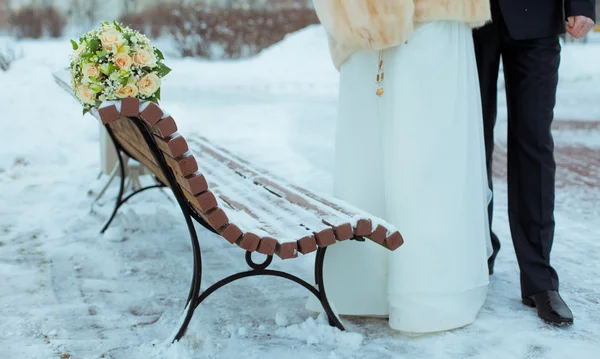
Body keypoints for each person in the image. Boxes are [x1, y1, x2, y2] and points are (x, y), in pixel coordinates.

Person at [306, 0, 493, 333]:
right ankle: (416, 293)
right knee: (408, 158)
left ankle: (392, 290)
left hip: (407, 19)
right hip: (392, 19)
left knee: (418, 157)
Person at [473, 0, 596, 326]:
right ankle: (475, 252)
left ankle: (539, 277)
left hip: (537, 13)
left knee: (534, 142)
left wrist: (581, 3)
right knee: (469, 140)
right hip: (464, 16)